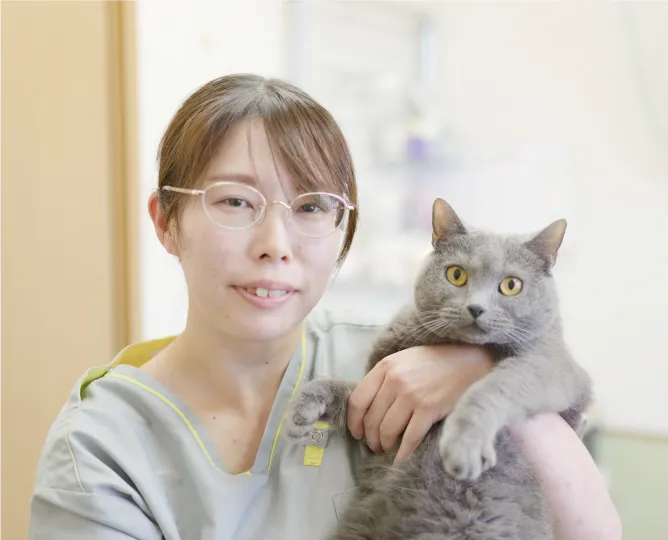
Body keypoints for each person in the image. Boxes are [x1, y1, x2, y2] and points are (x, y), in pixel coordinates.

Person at [29, 75, 621, 540]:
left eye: (311, 207)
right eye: (235, 201)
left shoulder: (399, 355)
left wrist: (484, 374)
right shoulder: (103, 444)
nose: (274, 246)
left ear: (343, 229)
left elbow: (596, 533)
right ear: (166, 221)